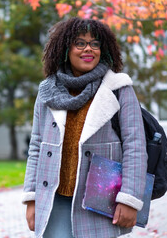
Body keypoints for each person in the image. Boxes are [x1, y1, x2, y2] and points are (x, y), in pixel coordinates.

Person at [22, 17, 147, 238]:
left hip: (100, 202)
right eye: (80, 43)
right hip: (55, 201)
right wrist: (31, 198)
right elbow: (36, 146)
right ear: (64, 48)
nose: (88, 48)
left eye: (95, 43)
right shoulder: (47, 90)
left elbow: (135, 147)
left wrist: (129, 198)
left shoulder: (119, 88)